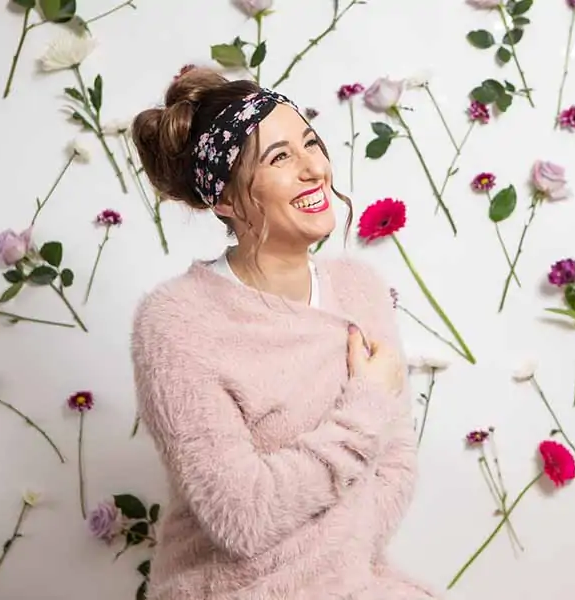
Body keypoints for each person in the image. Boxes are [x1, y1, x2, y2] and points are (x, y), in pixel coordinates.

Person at [129, 67, 440, 600]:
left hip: (351, 583)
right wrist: (366, 403)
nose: (313, 169)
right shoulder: (176, 322)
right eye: (279, 158)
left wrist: (329, 571)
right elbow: (243, 516)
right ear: (224, 200)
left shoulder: (359, 290)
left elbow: (396, 465)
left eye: (311, 143)